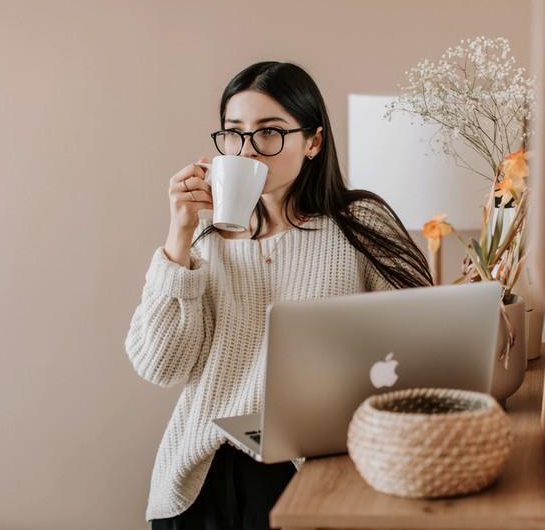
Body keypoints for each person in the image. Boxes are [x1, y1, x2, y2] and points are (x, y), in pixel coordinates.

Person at [124, 61, 433, 529]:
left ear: (313, 142)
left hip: (311, 473)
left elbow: (424, 349)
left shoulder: (358, 223)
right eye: (234, 133)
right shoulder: (204, 236)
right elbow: (161, 366)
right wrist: (179, 236)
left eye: (269, 132)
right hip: (199, 480)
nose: (248, 150)